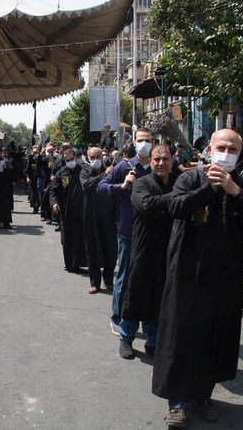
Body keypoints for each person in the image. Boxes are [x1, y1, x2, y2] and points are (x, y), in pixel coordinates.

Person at [152, 129, 243, 427]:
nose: (226, 152)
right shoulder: (190, 178)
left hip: (224, 277)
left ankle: (204, 394)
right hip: (187, 273)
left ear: (239, 154)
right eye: (221, 147)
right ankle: (177, 403)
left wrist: (233, 192)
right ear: (210, 149)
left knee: (214, 338)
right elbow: (175, 206)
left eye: (232, 148)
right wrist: (210, 189)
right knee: (181, 338)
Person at [96, 128, 153, 346]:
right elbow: (101, 188)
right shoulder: (125, 166)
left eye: (148, 140)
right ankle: (117, 318)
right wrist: (122, 185)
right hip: (128, 230)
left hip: (154, 231)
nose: (145, 144)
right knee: (125, 276)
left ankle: (149, 323)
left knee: (150, 278)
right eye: (141, 140)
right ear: (134, 143)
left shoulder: (159, 165)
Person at [120, 144, 175, 358]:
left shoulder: (177, 183)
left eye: (165, 159)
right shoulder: (141, 183)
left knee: (159, 297)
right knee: (135, 295)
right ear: (150, 161)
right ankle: (126, 338)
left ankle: (153, 340)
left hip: (168, 250)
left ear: (172, 161)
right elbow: (145, 205)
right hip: (143, 249)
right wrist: (174, 198)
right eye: (156, 159)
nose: (161, 163)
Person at [79, 146, 117, 293]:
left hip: (108, 216)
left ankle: (108, 280)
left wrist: (117, 216)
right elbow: (87, 186)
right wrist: (102, 176)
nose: (96, 160)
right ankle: (95, 282)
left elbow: (116, 192)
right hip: (91, 216)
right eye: (92, 157)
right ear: (88, 159)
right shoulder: (84, 172)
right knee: (92, 248)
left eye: (98, 157)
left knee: (110, 249)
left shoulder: (111, 170)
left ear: (103, 157)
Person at [50, 148, 87, 273]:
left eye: (72, 159)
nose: (70, 161)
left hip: (82, 211)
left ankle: (81, 262)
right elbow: (53, 190)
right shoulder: (61, 173)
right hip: (66, 212)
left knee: (81, 237)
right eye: (67, 160)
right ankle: (69, 263)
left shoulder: (84, 171)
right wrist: (54, 203)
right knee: (67, 239)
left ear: (76, 158)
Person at [24, 146, 41, 214]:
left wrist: (40, 154)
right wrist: (27, 177)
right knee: (33, 193)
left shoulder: (41, 156)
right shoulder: (30, 158)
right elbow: (27, 168)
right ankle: (35, 207)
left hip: (40, 177)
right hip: (32, 178)